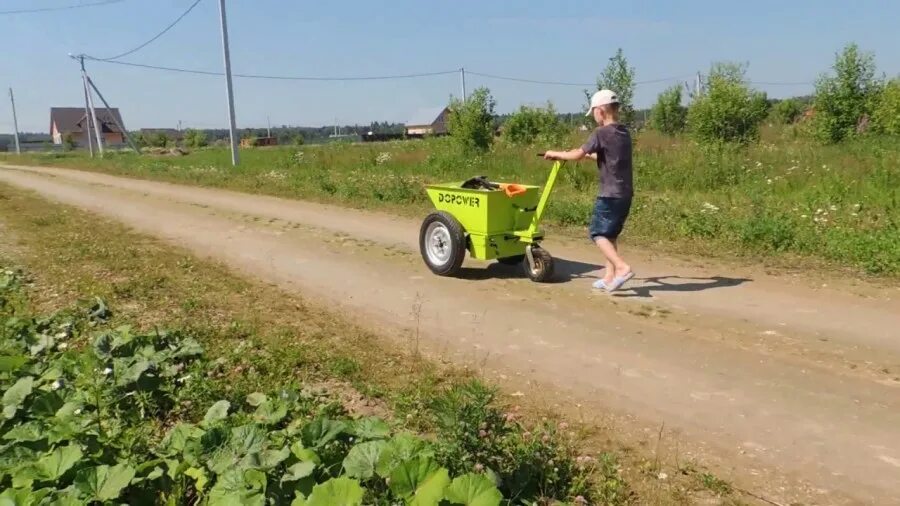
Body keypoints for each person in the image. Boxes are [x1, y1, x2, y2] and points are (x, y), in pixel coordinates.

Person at [543, 89, 634, 292]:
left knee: (597, 233)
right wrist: (587, 156)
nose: (593, 116)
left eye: (593, 112)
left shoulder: (601, 133)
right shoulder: (623, 132)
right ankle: (609, 276)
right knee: (610, 235)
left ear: (600, 111)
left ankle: (621, 268)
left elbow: (576, 154)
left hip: (609, 194)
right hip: (625, 194)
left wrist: (555, 153)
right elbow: (608, 158)